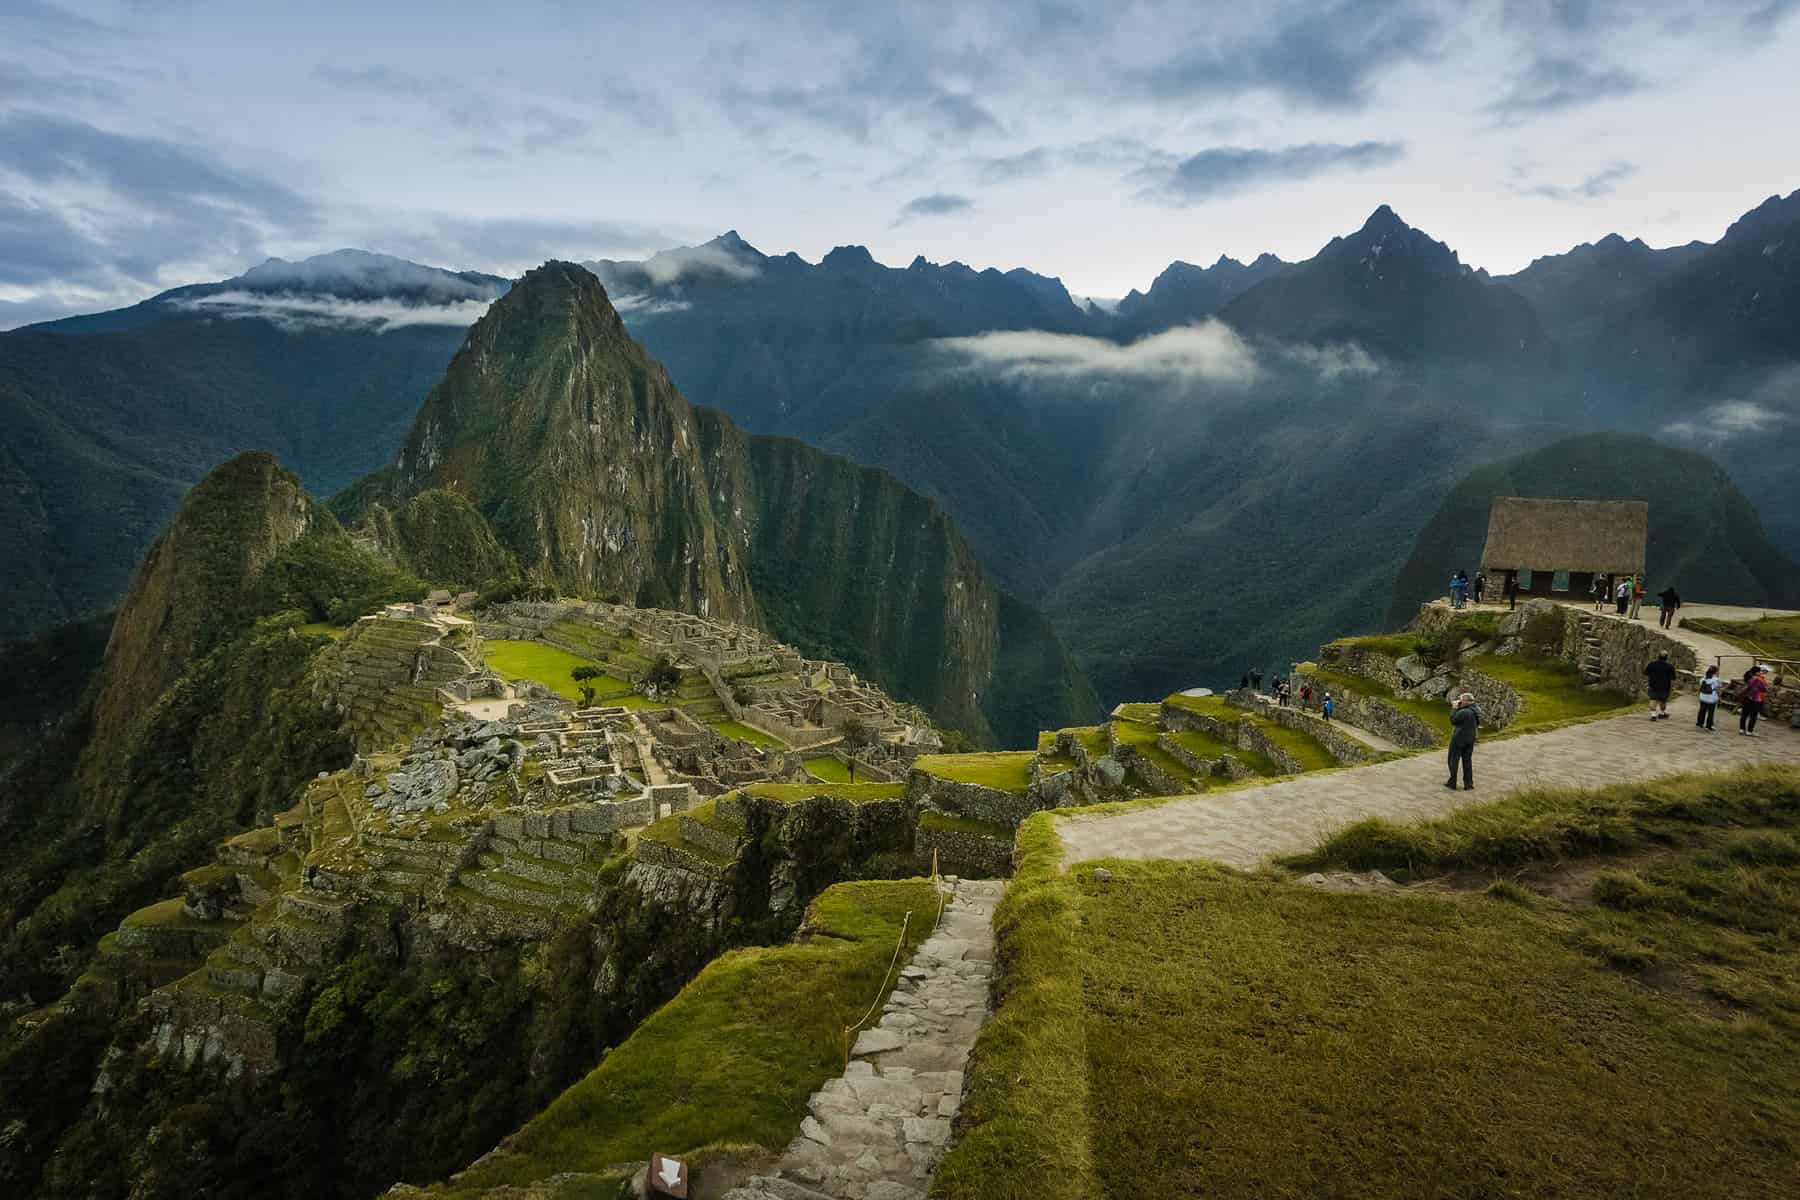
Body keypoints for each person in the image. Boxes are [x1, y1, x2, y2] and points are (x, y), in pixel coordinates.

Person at [1446, 692, 1479, 790]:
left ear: (1466, 701)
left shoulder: (1465, 712)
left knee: (1453, 760)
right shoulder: (1475, 710)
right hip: (1470, 739)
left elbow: (1453, 720)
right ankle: (1468, 784)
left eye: (1461, 700)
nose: (1459, 701)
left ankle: (1452, 783)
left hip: (1459, 739)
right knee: (1467, 761)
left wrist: (1454, 708)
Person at [1644, 651, 1676, 720]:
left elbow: (1646, 673)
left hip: (1653, 685)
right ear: (1666, 658)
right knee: (1663, 700)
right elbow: (1673, 678)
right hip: (1665, 687)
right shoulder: (1669, 666)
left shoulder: (1652, 664)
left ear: (1658, 656)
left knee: (1653, 699)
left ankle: (1653, 715)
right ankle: (1662, 713)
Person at [1741, 665, 1770, 736]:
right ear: (1757, 672)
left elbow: (1745, 688)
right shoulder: (1760, 680)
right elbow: (1764, 689)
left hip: (1747, 698)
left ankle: (1742, 729)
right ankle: (1749, 731)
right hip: (1756, 699)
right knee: (1753, 716)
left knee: (1744, 714)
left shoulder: (1749, 679)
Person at [1695, 665, 1721, 731]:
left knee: (1702, 710)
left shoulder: (1703, 679)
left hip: (1703, 697)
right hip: (1711, 698)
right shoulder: (1716, 680)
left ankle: (1700, 723)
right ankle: (1708, 726)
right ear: (1715, 672)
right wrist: (1719, 697)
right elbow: (1718, 689)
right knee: (1710, 712)